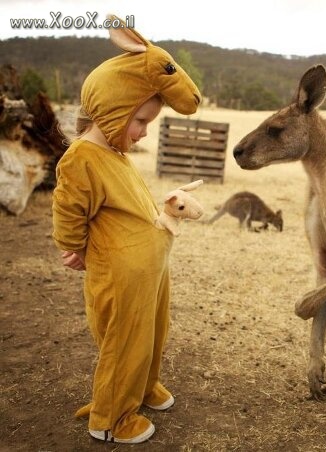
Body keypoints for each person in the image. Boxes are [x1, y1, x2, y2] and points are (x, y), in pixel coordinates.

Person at [52, 16, 201, 444]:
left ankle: (142, 386)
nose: (143, 133)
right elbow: (68, 211)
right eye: (141, 122)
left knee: (152, 331)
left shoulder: (114, 153)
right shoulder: (82, 157)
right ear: (116, 109)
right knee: (125, 341)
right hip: (121, 274)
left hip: (150, 270)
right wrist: (74, 248)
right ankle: (111, 418)